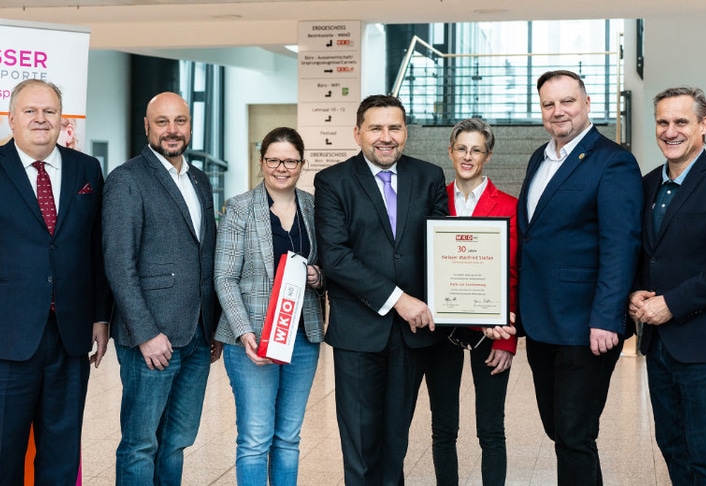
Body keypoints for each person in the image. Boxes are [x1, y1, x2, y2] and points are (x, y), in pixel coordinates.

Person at [314, 94, 449, 485]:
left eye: (394, 127)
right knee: (359, 443)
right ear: (358, 133)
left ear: (406, 132)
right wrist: (399, 300)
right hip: (359, 331)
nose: (385, 137)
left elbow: (441, 250)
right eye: (376, 128)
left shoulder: (429, 176)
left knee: (396, 440)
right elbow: (336, 257)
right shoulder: (333, 181)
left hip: (413, 335)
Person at [516, 70, 642, 485]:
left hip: (585, 325)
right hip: (541, 322)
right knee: (558, 428)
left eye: (568, 101)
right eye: (549, 104)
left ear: (587, 104)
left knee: (574, 434)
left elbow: (620, 245)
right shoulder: (539, 158)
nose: (559, 111)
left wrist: (607, 317)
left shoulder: (613, 160)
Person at [0, 79, 111, 484]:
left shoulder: (86, 169)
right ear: (11, 118)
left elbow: (96, 248)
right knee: (0, 457)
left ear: (63, 119)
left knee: (61, 457)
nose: (41, 119)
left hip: (70, 337)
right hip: (4, 341)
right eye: (30, 111)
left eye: (49, 112)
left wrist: (100, 316)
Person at [102, 92, 222, 485]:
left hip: (197, 336)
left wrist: (215, 325)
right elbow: (119, 264)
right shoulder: (127, 179)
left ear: (190, 125)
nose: (173, 130)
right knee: (140, 445)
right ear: (147, 126)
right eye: (162, 122)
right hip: (152, 339)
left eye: (180, 121)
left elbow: (207, 254)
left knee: (176, 441)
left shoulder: (199, 179)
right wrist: (145, 333)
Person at [629, 87, 706, 484]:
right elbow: (647, 255)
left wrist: (671, 304)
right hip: (658, 345)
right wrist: (635, 290)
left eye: (681, 122)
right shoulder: (645, 186)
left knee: (705, 453)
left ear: (703, 125)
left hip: (705, 347)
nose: (670, 131)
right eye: (663, 122)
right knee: (672, 446)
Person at [214, 127, 325, 485]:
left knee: (288, 438)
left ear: (302, 164)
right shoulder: (241, 208)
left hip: (302, 338)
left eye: (290, 160)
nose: (282, 167)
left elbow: (326, 266)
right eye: (274, 159)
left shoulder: (312, 206)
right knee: (255, 439)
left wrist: (317, 276)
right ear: (261, 162)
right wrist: (245, 333)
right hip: (254, 339)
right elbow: (224, 277)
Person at [424, 118, 518, 486]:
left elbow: (514, 275)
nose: (468, 156)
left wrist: (508, 338)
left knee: (491, 429)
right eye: (461, 148)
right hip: (441, 330)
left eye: (476, 149)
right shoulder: (434, 201)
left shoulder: (510, 206)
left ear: (488, 156)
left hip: (492, 332)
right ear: (450, 152)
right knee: (442, 428)